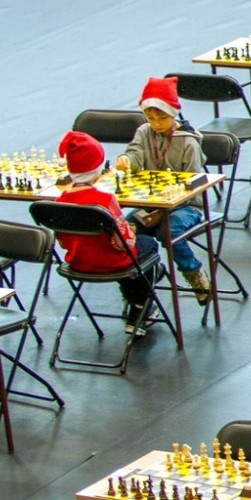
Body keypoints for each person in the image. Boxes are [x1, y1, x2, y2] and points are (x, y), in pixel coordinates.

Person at [112, 77, 211, 305]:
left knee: (169, 232)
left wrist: (164, 207)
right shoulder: (144, 132)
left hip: (187, 206)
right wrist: (127, 159)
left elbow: (192, 183)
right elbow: (135, 153)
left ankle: (194, 273)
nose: (156, 124)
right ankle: (144, 278)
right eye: (151, 118)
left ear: (173, 113)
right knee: (124, 231)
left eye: (162, 118)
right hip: (152, 204)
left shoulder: (188, 142)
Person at [55, 130, 162, 336]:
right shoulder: (105, 201)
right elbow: (123, 243)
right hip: (112, 262)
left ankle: (139, 300)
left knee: (134, 258)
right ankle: (141, 306)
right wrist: (130, 231)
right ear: (98, 170)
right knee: (147, 245)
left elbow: (63, 241)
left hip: (78, 262)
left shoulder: (60, 202)